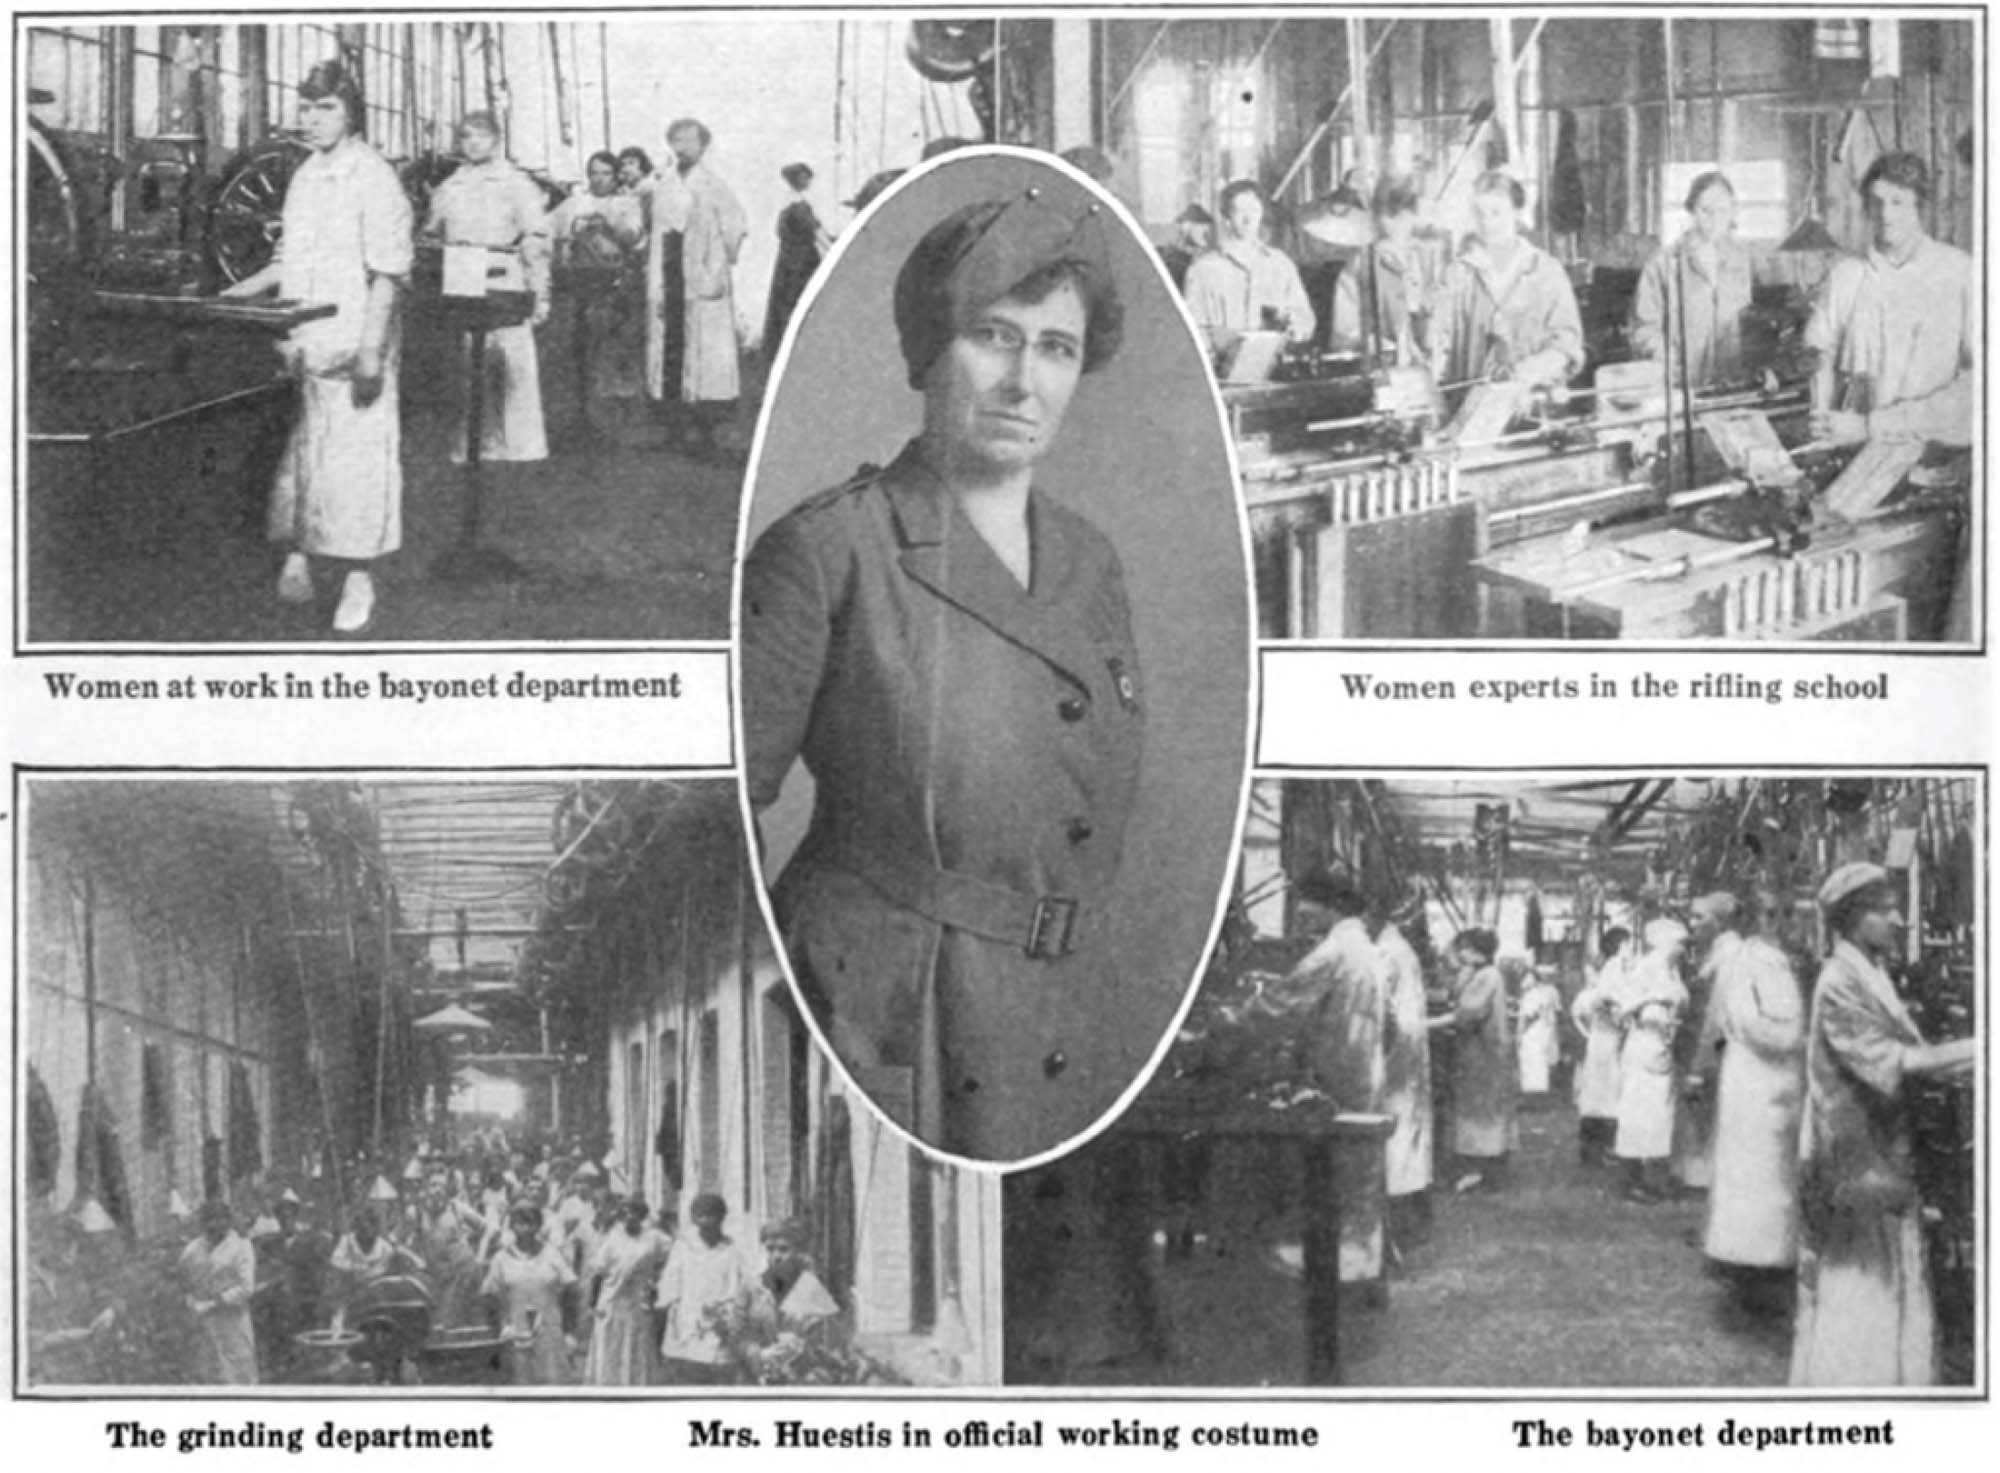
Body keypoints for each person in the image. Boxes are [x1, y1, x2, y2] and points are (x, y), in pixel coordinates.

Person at [742, 182, 1145, 1162]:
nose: (1024, 381)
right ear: (929, 350)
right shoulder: (828, 549)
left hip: (1056, 1014)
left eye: (1055, 348)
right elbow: (717, 807)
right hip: (890, 1009)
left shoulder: (1089, 561)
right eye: (992, 335)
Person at [219, 59, 411, 635]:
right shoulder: (305, 174)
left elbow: (389, 273)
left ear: (352, 114)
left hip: (356, 338)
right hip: (306, 339)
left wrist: (372, 351)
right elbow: (287, 262)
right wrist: (227, 296)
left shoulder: (373, 176)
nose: (312, 118)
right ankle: (301, 552)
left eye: (325, 107)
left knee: (357, 456)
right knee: (305, 451)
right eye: (305, 107)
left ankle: (359, 576)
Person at [1790, 863, 1974, 1386]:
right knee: (1862, 1284)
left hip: (1876, 1153)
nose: (1899, 920)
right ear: (1852, 918)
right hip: (1854, 1157)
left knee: (1889, 1278)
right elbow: (1891, 1061)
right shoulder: (1839, 981)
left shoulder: (1868, 972)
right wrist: (1975, 1047)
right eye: (1885, 909)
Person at [1805, 152, 1974, 451]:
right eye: (1877, 202)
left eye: (1898, 202)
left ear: (1919, 206)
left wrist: (1875, 425)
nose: (1885, 214)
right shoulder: (1845, 274)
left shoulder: (1959, 272)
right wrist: (1823, 420)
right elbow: (1819, 354)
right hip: (1853, 450)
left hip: (1934, 452)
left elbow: (1983, 381)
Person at [1266, 869, 1387, 1280]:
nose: (1299, 913)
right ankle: (1359, 1260)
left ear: (1328, 905)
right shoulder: (1365, 946)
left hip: (1341, 1067)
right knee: (1358, 1170)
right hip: (1361, 1062)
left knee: (1338, 1168)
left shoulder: (1333, 951)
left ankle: (1342, 1265)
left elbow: (1281, 1003)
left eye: (1305, 903)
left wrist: (1226, 1022)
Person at [423, 110, 551, 465]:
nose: (473, 143)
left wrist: (540, 294)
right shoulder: (450, 187)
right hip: (462, 273)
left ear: (496, 139)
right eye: (466, 136)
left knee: (512, 360)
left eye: (480, 135)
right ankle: (475, 444)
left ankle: (521, 448)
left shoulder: (517, 184)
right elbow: (431, 233)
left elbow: (536, 241)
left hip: (505, 272)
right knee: (470, 364)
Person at [1702, 886, 1806, 1314]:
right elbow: (1748, 1022)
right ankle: (1751, 1270)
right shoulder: (1745, 960)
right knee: (1754, 1176)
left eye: (1784, 913)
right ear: (1751, 919)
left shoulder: (1780, 960)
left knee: (1775, 1175)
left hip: (1778, 1078)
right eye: (1768, 914)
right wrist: (1801, 1040)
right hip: (1754, 1078)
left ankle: (1771, 1263)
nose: (1777, 921)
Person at [1432, 170, 1583, 397]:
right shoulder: (1459, 274)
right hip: (1470, 407)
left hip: (1534, 405)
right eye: (1479, 214)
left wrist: (1528, 373)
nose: (1487, 222)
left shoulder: (1545, 271)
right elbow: (1439, 345)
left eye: (1496, 213)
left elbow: (1567, 345)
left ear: (1516, 212)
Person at [1629, 171, 1766, 390]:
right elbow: (1643, 328)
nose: (1714, 219)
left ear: (1733, 213)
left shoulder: (1743, 260)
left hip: (1734, 385)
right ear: (1692, 210)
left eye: (1722, 211)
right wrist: (1666, 359)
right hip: (1681, 386)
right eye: (1705, 211)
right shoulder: (1664, 263)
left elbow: (1755, 323)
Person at [666, 118, 749, 459]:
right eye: (676, 140)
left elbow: (736, 225)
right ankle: (677, 427)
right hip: (670, 274)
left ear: (703, 145)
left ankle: (707, 431)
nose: (682, 146)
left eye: (689, 140)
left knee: (706, 356)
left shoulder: (714, 185)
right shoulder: (666, 184)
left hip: (702, 275)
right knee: (673, 349)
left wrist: (716, 266)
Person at [549, 150, 646, 438]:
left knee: (616, 346)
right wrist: (574, 228)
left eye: (605, 173)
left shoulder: (627, 203)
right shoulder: (576, 202)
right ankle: (581, 412)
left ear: (615, 175)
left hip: (615, 284)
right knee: (579, 345)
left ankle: (617, 415)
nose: (599, 179)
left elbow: (634, 235)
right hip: (580, 282)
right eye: (594, 173)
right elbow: (548, 226)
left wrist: (605, 221)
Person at [1181, 179, 1316, 360]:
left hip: (1273, 368)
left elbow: (1305, 319)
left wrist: (1296, 327)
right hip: (1222, 373)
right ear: (1226, 217)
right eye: (1240, 211)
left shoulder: (1281, 265)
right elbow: (1190, 331)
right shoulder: (1202, 270)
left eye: (1254, 211)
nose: (1248, 219)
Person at [1613, 918, 1690, 1204]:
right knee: (1638, 1113)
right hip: (1645, 1044)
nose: (1683, 948)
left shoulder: (1672, 969)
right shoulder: (1648, 966)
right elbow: (1625, 1007)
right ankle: (1632, 1179)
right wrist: (1655, 1003)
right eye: (1679, 942)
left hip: (1662, 1046)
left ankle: (1652, 1176)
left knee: (1659, 1115)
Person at [1375, 892, 1435, 1249]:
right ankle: (1410, 1221)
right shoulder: (1401, 950)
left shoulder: (1387, 953)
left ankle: (1398, 1228)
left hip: (1395, 1057)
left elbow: (1379, 1007)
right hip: (1406, 1054)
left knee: (1396, 1142)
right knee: (1408, 1140)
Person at [1329, 175, 1434, 364]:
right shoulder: (1360, 264)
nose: (1391, 225)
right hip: (1380, 366)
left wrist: (1417, 305)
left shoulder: (1426, 259)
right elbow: (1344, 331)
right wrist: (1376, 343)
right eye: (1387, 216)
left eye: (1402, 217)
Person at [1676, 891, 1742, 1192]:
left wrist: (1700, 1067)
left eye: (1699, 917)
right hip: (1713, 1053)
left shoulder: (1729, 957)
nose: (1692, 924)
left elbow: (1715, 1018)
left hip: (1718, 1055)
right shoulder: (1716, 953)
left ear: (1719, 922)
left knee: (1712, 1126)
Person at [655, 1193, 751, 1385]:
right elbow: (670, 1282)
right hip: (688, 1319)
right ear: (693, 1219)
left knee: (719, 1371)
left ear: (722, 1218)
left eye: (712, 1216)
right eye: (701, 1216)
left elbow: (740, 1285)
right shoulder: (684, 1248)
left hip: (721, 1322)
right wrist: (668, 1307)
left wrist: (733, 1314)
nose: (707, 1222)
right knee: (690, 1372)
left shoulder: (731, 1251)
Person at [1446, 928, 1514, 1192]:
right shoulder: (1481, 974)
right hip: (1483, 1053)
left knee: (1482, 1112)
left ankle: (1482, 1173)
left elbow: (1467, 1013)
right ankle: (1483, 1170)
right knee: (1483, 1110)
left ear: (1477, 950)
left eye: (1464, 948)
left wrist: (1426, 1023)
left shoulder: (1487, 976)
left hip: (1484, 1053)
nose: (1460, 953)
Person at [481, 1204, 578, 1385]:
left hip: (549, 1335)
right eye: (519, 1223)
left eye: (530, 1223)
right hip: (515, 1336)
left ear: (538, 1226)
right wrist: (501, 1326)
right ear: (511, 1226)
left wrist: (569, 1331)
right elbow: (489, 1295)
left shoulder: (551, 1254)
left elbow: (571, 1289)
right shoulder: (501, 1258)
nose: (524, 1228)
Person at [584, 1196, 671, 1386]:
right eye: (625, 1213)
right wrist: (592, 1302)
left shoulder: (654, 1238)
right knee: (611, 1344)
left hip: (638, 1299)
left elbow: (670, 1260)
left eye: (635, 1213)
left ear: (642, 1215)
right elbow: (598, 1273)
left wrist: (656, 1281)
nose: (629, 1217)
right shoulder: (612, 1239)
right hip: (612, 1300)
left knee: (637, 1343)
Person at [179, 1199, 259, 1385]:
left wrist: (216, 1302)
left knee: (240, 1370)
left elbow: (246, 1287)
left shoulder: (241, 1246)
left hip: (232, 1319)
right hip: (203, 1320)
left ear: (228, 1221)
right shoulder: (191, 1250)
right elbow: (184, 1281)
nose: (213, 1225)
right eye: (208, 1220)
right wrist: (191, 1302)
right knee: (209, 1372)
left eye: (218, 1219)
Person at [1571, 927, 1633, 1167]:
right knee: (1606, 1093)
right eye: (1627, 944)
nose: (1630, 950)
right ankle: (1603, 1148)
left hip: (1605, 1037)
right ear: (1619, 946)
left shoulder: (1612, 967)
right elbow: (1607, 998)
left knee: (1599, 1092)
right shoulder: (1614, 967)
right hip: (1606, 1037)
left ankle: (1593, 1149)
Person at [765, 162, 831, 358]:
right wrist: (833, 249)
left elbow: (780, 232)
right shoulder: (799, 205)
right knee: (802, 299)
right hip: (802, 261)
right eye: (804, 177)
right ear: (796, 180)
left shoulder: (787, 204)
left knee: (787, 300)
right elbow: (816, 231)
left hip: (787, 260)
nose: (808, 180)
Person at [409, 1174, 486, 1328]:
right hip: (437, 1275)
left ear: (447, 1191)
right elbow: (396, 1240)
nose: (436, 1190)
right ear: (426, 1188)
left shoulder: (457, 1208)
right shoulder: (416, 1212)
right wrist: (415, 1258)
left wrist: (479, 1254)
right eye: (432, 1185)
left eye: (441, 1186)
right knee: (440, 1320)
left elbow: (484, 1227)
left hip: (464, 1270)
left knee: (455, 1320)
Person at [1516, 962, 1563, 1101]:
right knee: (1539, 1057)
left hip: (1536, 1029)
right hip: (1544, 1027)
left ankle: (1534, 1090)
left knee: (1534, 1056)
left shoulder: (1533, 994)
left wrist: (1519, 1034)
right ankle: (1538, 1089)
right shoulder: (1550, 991)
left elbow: (1526, 1017)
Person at [1156, 204, 1213, 292]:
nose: (1206, 231)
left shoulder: (1203, 259)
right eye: (1200, 225)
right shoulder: (1175, 261)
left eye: (1207, 226)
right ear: (1187, 227)